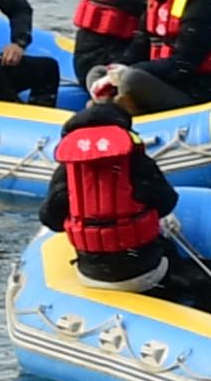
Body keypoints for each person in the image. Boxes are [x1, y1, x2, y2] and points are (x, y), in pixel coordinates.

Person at [38, 99, 189, 296]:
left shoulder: (68, 170)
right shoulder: (138, 163)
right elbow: (167, 202)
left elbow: (51, 219)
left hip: (91, 273)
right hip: (144, 272)